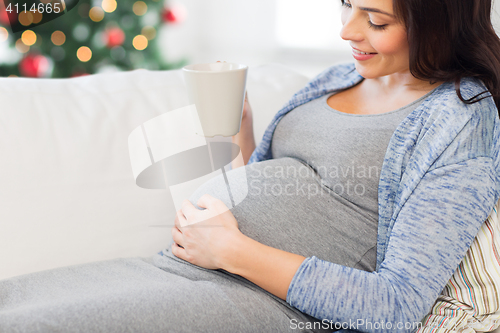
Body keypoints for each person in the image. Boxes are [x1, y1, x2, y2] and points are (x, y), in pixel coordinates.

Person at [1, 0, 499, 332]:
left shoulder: (459, 118)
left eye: (376, 20)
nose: (347, 31)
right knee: (15, 302)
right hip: (177, 267)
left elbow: (396, 305)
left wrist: (231, 250)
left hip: (266, 304)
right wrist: (241, 139)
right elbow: (277, 185)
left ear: (439, 22)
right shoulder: (337, 77)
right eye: (348, 6)